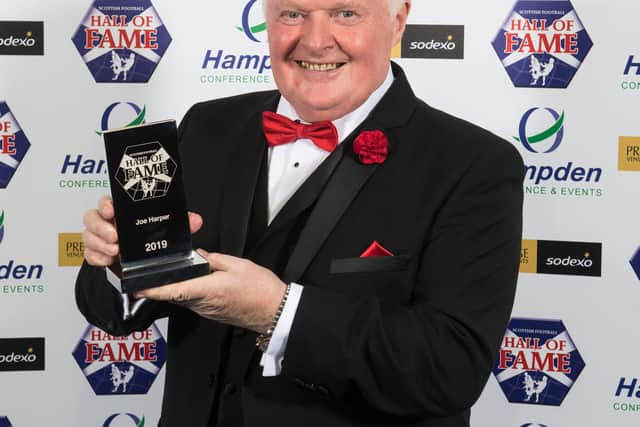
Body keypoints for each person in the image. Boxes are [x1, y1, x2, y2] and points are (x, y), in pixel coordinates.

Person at [76, 0, 524, 426]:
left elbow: (450, 368)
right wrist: (123, 263)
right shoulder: (207, 127)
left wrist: (278, 312)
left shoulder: (474, 165)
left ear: (398, 20)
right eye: (293, 13)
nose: (315, 41)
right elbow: (110, 311)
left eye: (346, 13)